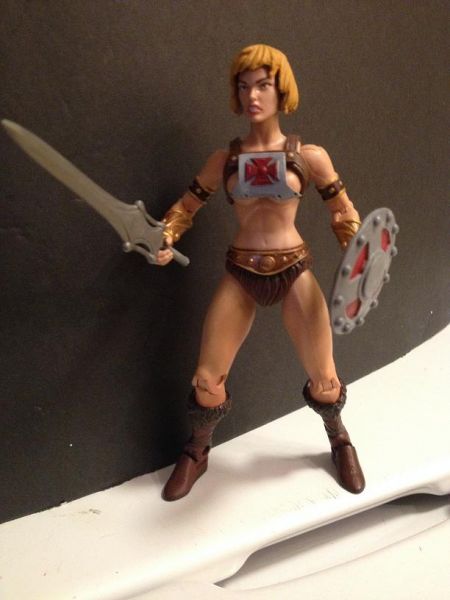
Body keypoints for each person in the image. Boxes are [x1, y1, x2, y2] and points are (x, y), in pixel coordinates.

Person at [158, 44, 365, 501]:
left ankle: (339, 439)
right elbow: (185, 208)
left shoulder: (309, 156)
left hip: (294, 270)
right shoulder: (225, 160)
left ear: (281, 90)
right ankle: (197, 450)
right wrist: (166, 236)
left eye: (263, 85)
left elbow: (343, 211)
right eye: (244, 86)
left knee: (325, 378)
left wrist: (358, 252)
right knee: (207, 379)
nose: (253, 95)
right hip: (241, 271)